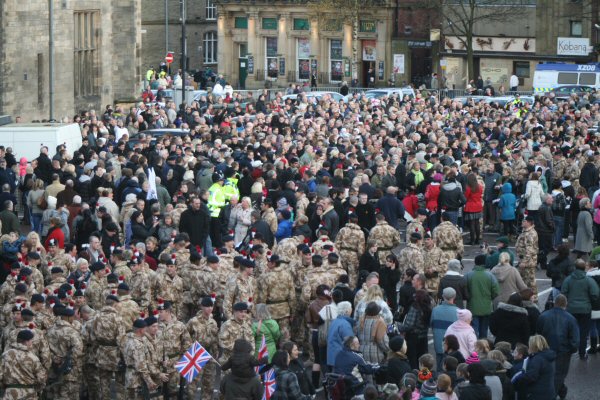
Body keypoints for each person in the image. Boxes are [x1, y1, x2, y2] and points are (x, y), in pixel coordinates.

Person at [536, 294, 579, 399]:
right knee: (559, 375)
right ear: (566, 304)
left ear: (554, 303)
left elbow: (538, 334)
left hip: (545, 350)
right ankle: (554, 394)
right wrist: (572, 349)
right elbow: (575, 339)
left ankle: (561, 390)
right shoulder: (570, 318)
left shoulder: (543, 316)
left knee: (549, 374)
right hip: (563, 352)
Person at [561, 258, 600, 359]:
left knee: (569, 331)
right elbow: (595, 294)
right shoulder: (589, 280)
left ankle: (568, 350)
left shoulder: (568, 279)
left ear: (575, 267)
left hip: (571, 309)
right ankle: (582, 353)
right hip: (585, 309)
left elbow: (563, 293)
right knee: (584, 332)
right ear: (584, 268)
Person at [466, 254, 500, 338]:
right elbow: (496, 291)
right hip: (486, 307)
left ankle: (474, 348)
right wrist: (489, 298)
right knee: (484, 330)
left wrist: (468, 298)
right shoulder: (490, 276)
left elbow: (464, 290)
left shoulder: (468, 275)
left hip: (472, 307)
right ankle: (483, 347)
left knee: (473, 329)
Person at [513, 335, 556, 400]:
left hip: (538, 395)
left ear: (533, 346)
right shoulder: (548, 356)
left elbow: (531, 376)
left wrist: (518, 379)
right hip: (549, 393)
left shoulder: (537, 359)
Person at [399, 289, 433, 369]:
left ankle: (414, 377)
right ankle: (425, 378)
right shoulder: (428, 308)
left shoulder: (415, 307)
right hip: (424, 337)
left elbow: (409, 325)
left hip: (413, 337)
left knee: (412, 360)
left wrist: (399, 327)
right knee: (424, 361)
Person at [430, 287, 459, 371]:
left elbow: (431, 324)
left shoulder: (435, 310)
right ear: (454, 297)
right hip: (452, 346)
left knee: (439, 366)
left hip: (439, 343)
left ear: (443, 296)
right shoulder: (458, 312)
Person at [326, 301, 355, 368]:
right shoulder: (345, 324)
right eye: (351, 308)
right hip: (340, 357)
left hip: (332, 356)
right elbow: (349, 342)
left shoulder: (335, 321)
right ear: (347, 311)